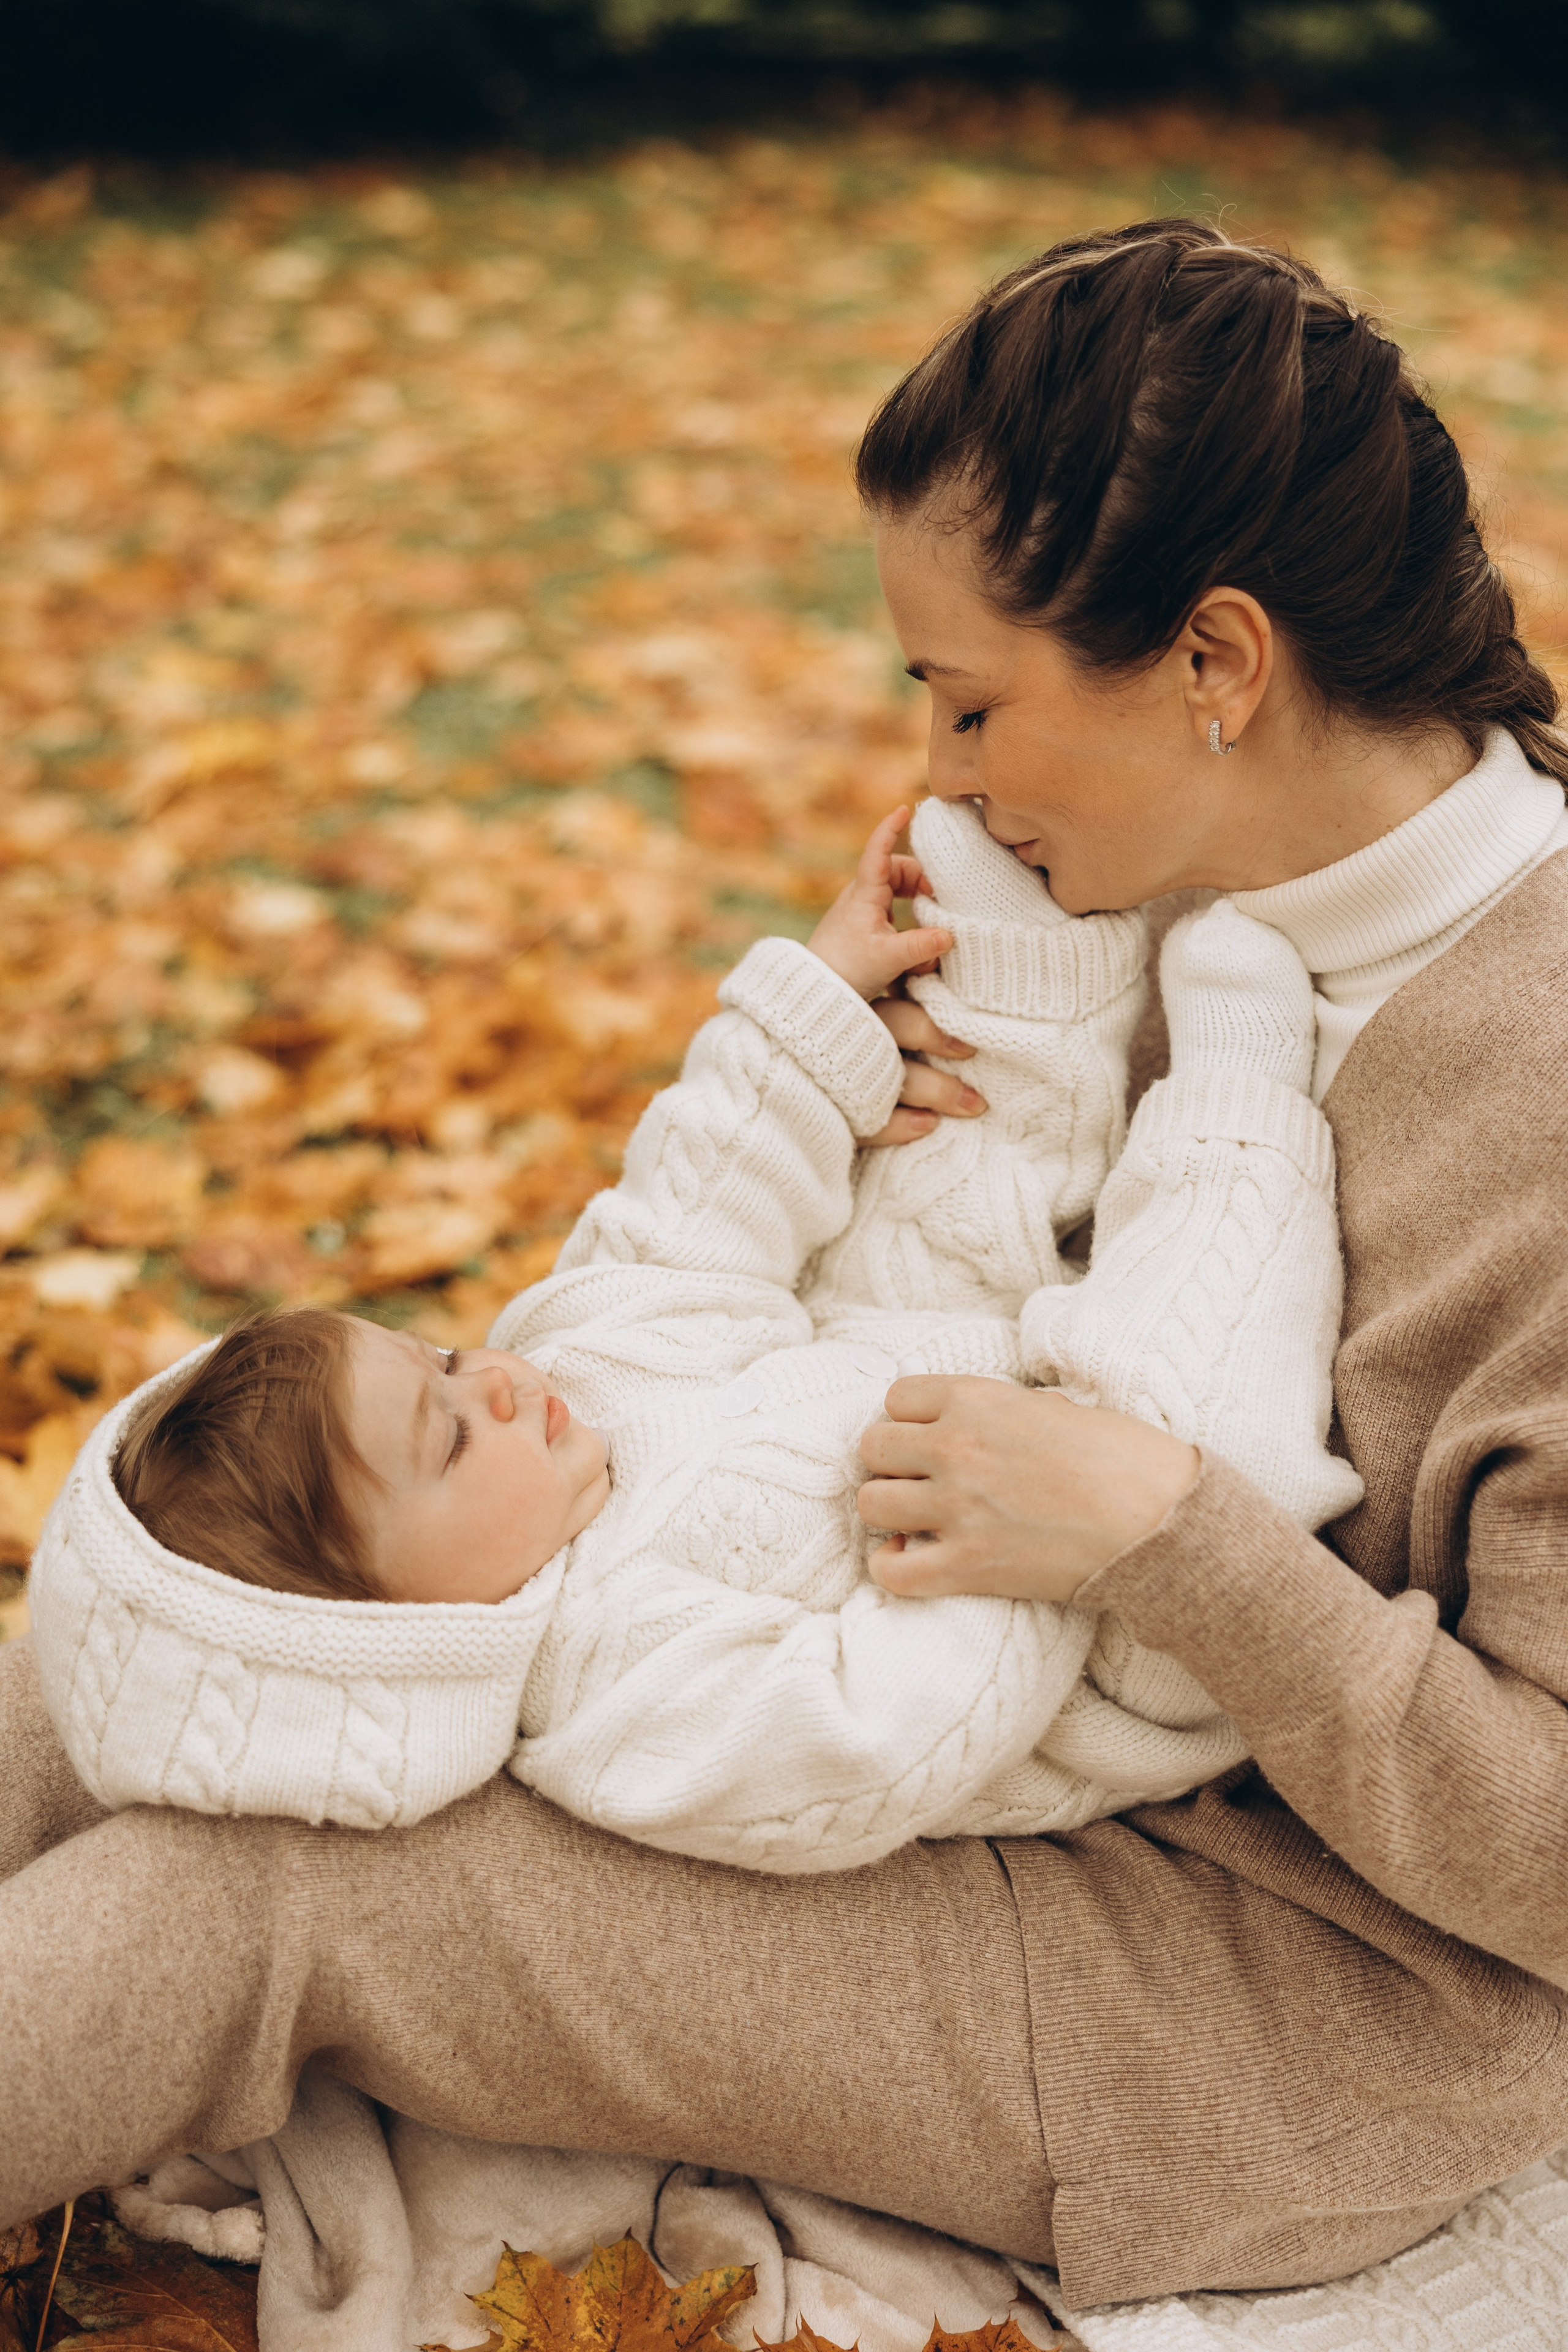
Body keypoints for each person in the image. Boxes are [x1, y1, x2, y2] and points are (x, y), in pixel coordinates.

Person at [4, 214, 1568, 2309]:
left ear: (1215, 665)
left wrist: (1171, 1539)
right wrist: (850, 1072)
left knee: (266, 1900)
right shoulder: (1135, 885)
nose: (940, 772)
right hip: (889, 1690)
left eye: (972, 703)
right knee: (163, 1611)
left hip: (1260, 1980)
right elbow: (750, 1308)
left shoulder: (1536, 1101)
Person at [28, 794, 1355, 1861]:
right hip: (1113, 1618)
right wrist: (1046, 1529)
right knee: (1190, 1385)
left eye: (435, 1358)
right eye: (442, 1441)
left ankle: (1045, 949)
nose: (488, 1378)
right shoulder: (618, 1709)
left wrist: (818, 1017)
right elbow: (873, 1740)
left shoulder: (578, 1371)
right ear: (398, 1628)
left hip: (923, 1337)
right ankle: (1238, 1090)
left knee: (932, 1147)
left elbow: (691, 1208)